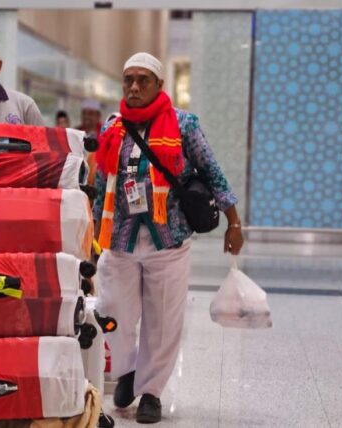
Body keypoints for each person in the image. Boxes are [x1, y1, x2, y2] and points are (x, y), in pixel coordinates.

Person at [92, 53, 244, 423]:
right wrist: (94, 230)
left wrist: (234, 223)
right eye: (128, 79)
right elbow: (100, 180)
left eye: (143, 80)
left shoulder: (183, 125)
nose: (134, 87)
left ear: (159, 85)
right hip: (120, 238)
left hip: (168, 237)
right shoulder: (112, 125)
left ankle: (151, 393)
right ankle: (127, 370)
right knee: (111, 310)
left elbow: (211, 171)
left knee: (162, 320)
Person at [78, 99, 103, 186]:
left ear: (98, 116)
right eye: (84, 113)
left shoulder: (105, 134)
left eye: (90, 114)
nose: (86, 117)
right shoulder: (75, 132)